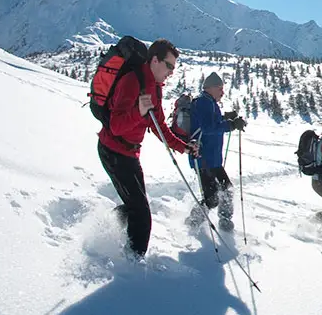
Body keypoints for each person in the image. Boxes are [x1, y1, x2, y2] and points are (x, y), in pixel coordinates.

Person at [97, 38, 199, 260]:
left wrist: (184, 147)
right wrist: (139, 112)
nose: (171, 72)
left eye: (174, 67)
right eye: (169, 65)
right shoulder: (132, 81)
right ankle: (133, 266)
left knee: (137, 207)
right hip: (113, 151)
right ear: (155, 60)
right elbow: (115, 126)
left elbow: (160, 127)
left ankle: (104, 227)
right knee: (142, 215)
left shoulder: (155, 88)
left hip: (129, 154)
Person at [185, 72, 246, 232]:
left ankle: (224, 221)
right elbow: (207, 128)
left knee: (226, 189)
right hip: (203, 158)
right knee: (212, 197)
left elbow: (211, 123)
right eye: (220, 88)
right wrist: (230, 125)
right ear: (210, 88)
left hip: (212, 160)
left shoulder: (209, 102)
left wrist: (227, 119)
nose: (222, 92)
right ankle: (193, 222)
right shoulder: (204, 103)